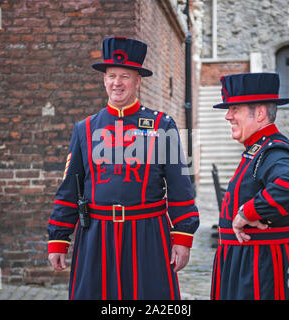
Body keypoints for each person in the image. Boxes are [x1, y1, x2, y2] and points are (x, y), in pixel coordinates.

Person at [47, 37, 199, 300]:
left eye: (125, 76)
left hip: (147, 234)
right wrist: (59, 237)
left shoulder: (162, 125)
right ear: (104, 80)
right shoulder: (84, 128)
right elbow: (70, 189)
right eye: (111, 75)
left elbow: (180, 188)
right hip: (96, 236)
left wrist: (183, 236)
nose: (117, 83)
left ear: (138, 80)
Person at [210, 73, 289, 300]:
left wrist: (247, 213)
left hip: (264, 266)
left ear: (260, 113)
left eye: (235, 109)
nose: (228, 116)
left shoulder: (273, 149)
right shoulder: (258, 147)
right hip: (250, 261)